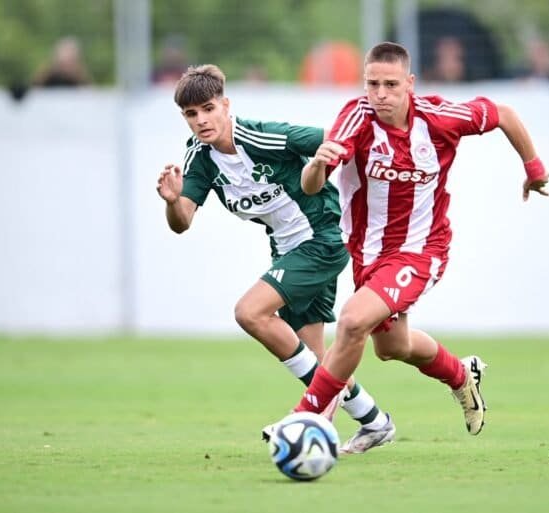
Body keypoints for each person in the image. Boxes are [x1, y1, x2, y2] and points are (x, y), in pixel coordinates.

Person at [288, 42, 549, 436]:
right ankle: (461, 375)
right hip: (368, 253)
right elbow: (311, 187)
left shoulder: (440, 118)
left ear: (410, 83)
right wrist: (317, 164)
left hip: (421, 250)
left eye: (390, 84)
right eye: (372, 84)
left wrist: (534, 168)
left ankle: (304, 418)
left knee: (353, 320)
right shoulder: (356, 118)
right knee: (392, 347)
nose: (380, 94)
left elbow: (504, 115)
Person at [155, 65, 395, 453]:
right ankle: (374, 421)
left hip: (323, 239)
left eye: (208, 108)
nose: (201, 120)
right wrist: (171, 201)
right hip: (287, 249)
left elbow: (335, 139)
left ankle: (313, 410)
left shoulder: (263, 136)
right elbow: (181, 222)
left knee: (250, 312)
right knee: (318, 357)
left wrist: (374, 174)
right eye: (190, 114)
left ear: (226, 105)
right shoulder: (199, 160)